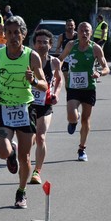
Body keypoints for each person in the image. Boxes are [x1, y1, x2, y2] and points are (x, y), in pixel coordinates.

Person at [0, 15, 48, 209]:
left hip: (25, 109)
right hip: (3, 107)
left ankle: (21, 192)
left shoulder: (32, 56)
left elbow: (44, 86)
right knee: (3, 151)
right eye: (9, 33)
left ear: (24, 34)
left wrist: (33, 81)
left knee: (25, 157)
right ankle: (10, 153)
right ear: (4, 35)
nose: (13, 37)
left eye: (16, 33)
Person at [58, 22, 110, 162]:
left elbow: (106, 68)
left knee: (86, 120)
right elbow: (61, 59)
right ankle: (73, 121)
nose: (84, 33)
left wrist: (99, 73)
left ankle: (82, 149)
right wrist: (56, 69)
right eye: (81, 30)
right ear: (77, 32)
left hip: (89, 88)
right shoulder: (71, 45)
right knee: (72, 115)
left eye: (87, 31)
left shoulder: (96, 48)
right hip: (73, 87)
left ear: (91, 33)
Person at [29, 29, 62, 184]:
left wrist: (56, 93)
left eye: (45, 42)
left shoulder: (54, 62)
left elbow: (59, 80)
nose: (41, 45)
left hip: (45, 105)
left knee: (41, 137)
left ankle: (37, 171)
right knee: (30, 140)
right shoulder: (27, 60)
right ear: (34, 44)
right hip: (27, 105)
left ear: (50, 45)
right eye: (39, 42)